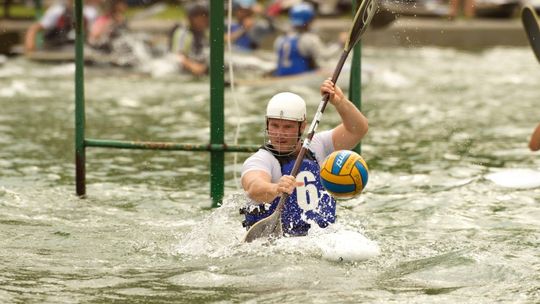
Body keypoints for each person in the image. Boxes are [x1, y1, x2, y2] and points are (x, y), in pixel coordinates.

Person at [240, 78, 369, 236]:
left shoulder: (318, 145)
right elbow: (253, 187)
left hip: (322, 237)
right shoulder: (261, 160)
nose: (279, 133)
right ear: (267, 125)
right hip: (279, 242)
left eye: (287, 127)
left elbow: (358, 130)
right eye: (274, 125)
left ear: (302, 126)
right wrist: (275, 188)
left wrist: (340, 102)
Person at [273, 2, 341, 77]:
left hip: (281, 76)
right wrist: (340, 43)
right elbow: (325, 56)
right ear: (309, 20)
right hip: (302, 77)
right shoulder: (309, 39)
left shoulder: (280, 39)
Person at [24, 0, 99, 52]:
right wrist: (30, 48)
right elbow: (33, 29)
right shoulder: (57, 11)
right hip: (55, 48)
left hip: (79, 48)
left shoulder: (90, 12)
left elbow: (94, 34)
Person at [169, 2, 209, 76]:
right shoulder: (183, 33)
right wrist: (192, 66)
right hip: (184, 69)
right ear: (190, 18)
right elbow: (178, 56)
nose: (201, 19)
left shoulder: (206, 33)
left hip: (201, 65)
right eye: (197, 16)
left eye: (204, 16)